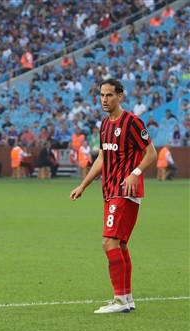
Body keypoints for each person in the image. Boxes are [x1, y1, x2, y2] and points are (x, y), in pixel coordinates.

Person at [70, 78, 157, 314]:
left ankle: (119, 299)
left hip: (125, 191)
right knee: (120, 244)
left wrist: (135, 174)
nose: (104, 100)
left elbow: (151, 153)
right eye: (101, 95)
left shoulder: (132, 122)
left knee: (108, 242)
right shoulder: (105, 124)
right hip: (110, 191)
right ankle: (126, 298)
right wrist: (84, 185)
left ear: (120, 96)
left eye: (109, 95)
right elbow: (102, 158)